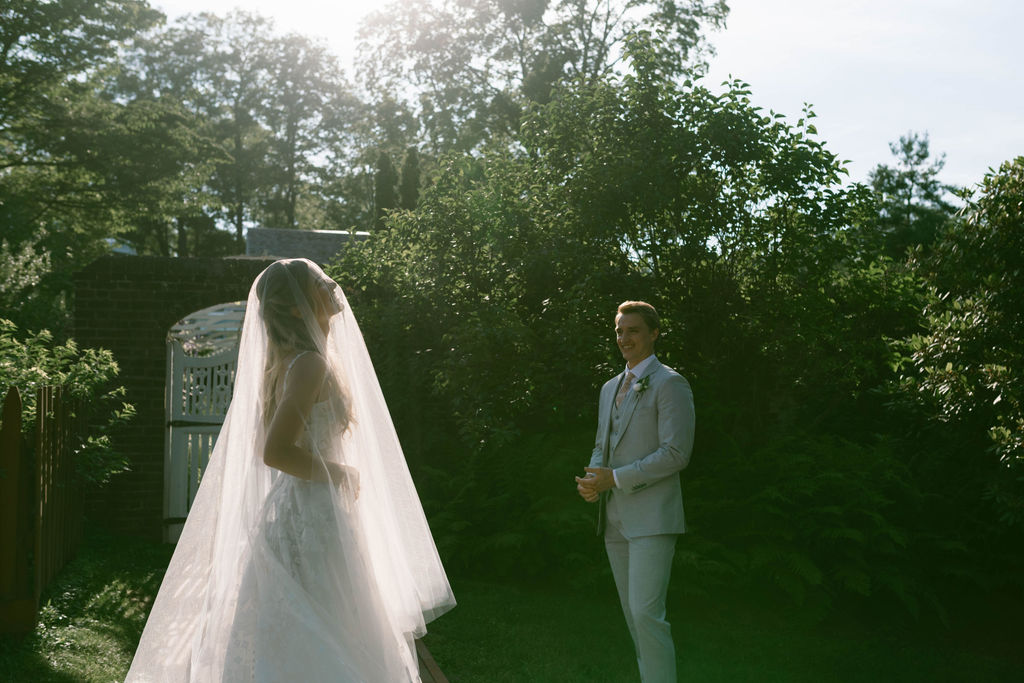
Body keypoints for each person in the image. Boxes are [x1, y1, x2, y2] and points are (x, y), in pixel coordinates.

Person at [127, 258, 455, 682]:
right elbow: (276, 451)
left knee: (317, 622)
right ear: (297, 307)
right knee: (322, 623)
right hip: (310, 512)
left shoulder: (296, 361)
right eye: (319, 283)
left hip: (308, 507)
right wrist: (341, 473)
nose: (332, 285)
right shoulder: (309, 365)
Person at [575, 300, 695, 683]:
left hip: (653, 519)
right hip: (614, 520)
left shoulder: (670, 383)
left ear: (654, 333)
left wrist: (617, 478)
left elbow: (676, 453)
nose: (624, 338)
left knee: (647, 615)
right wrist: (595, 480)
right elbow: (601, 444)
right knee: (632, 616)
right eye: (619, 331)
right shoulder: (609, 387)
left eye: (633, 330)